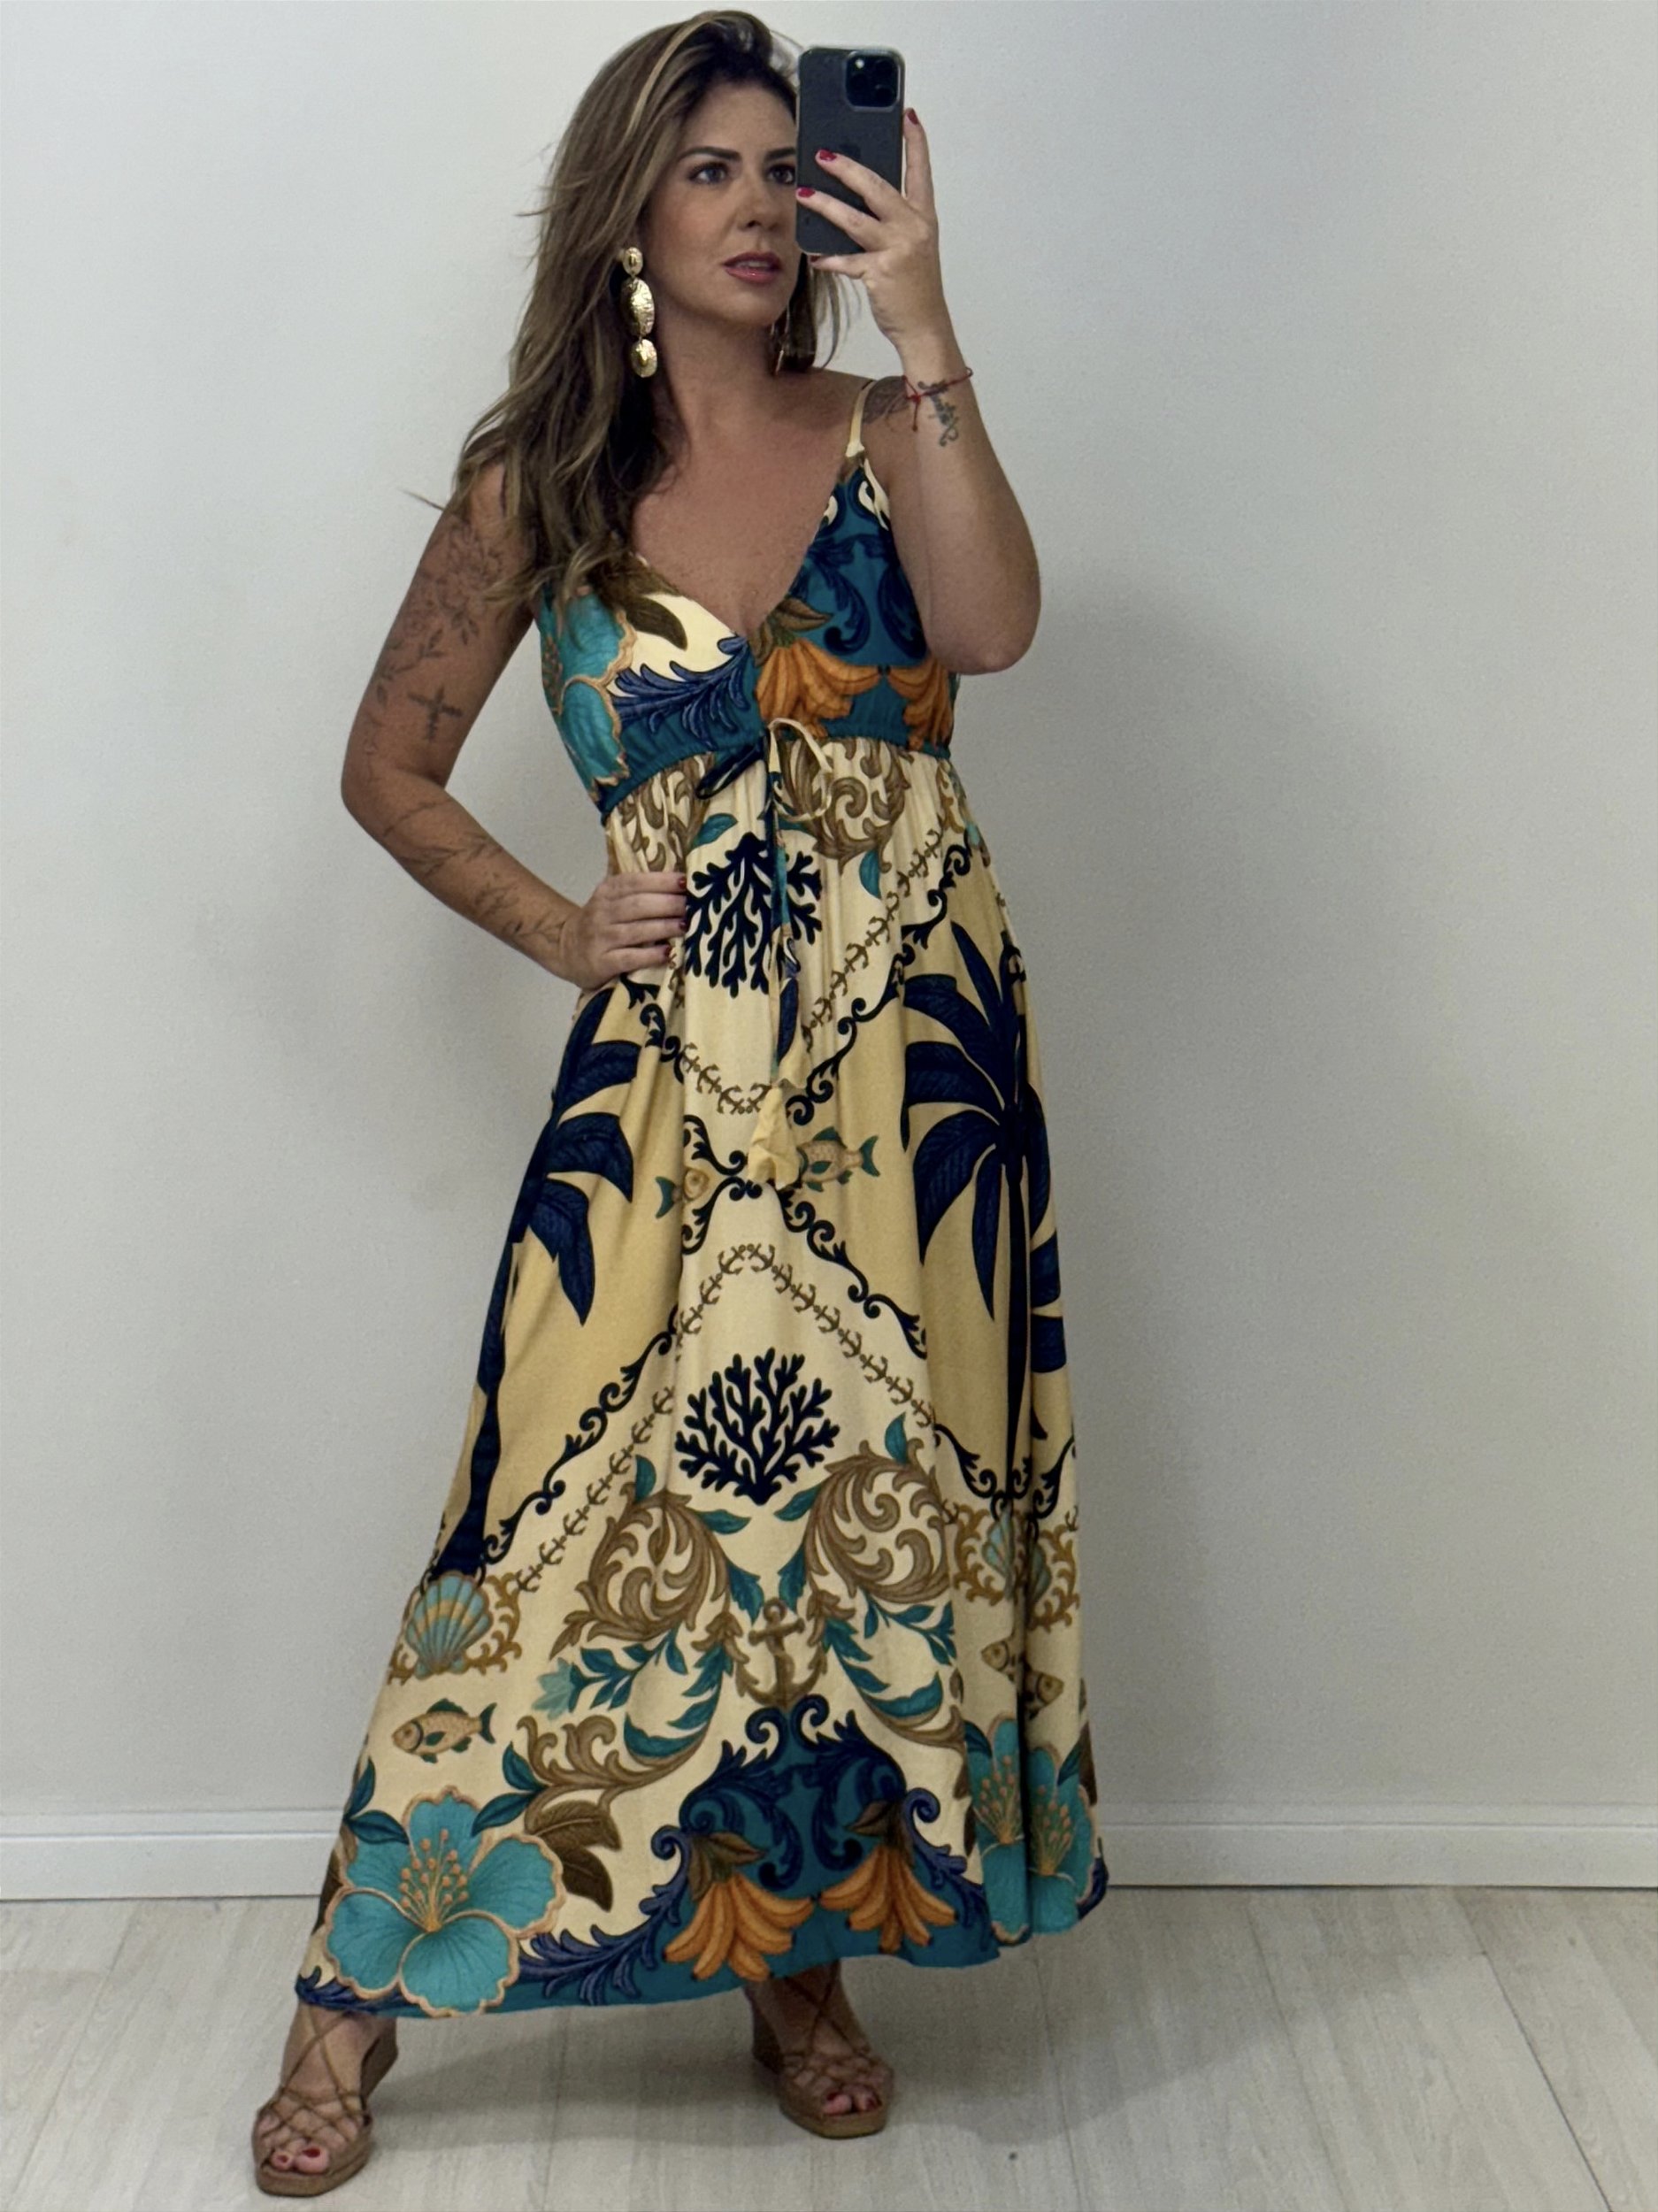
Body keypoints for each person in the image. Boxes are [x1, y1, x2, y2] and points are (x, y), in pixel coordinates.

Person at [251, 10, 1109, 2195]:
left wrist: (925, 319)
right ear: (627, 210)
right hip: (674, 1081)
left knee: (848, 1520)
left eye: (779, 169)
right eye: (706, 168)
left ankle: (793, 1966)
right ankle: (354, 1985)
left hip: (914, 1075)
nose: (754, 208)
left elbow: (990, 633)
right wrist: (563, 927)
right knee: (539, 1512)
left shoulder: (886, 418)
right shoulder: (538, 476)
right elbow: (387, 763)